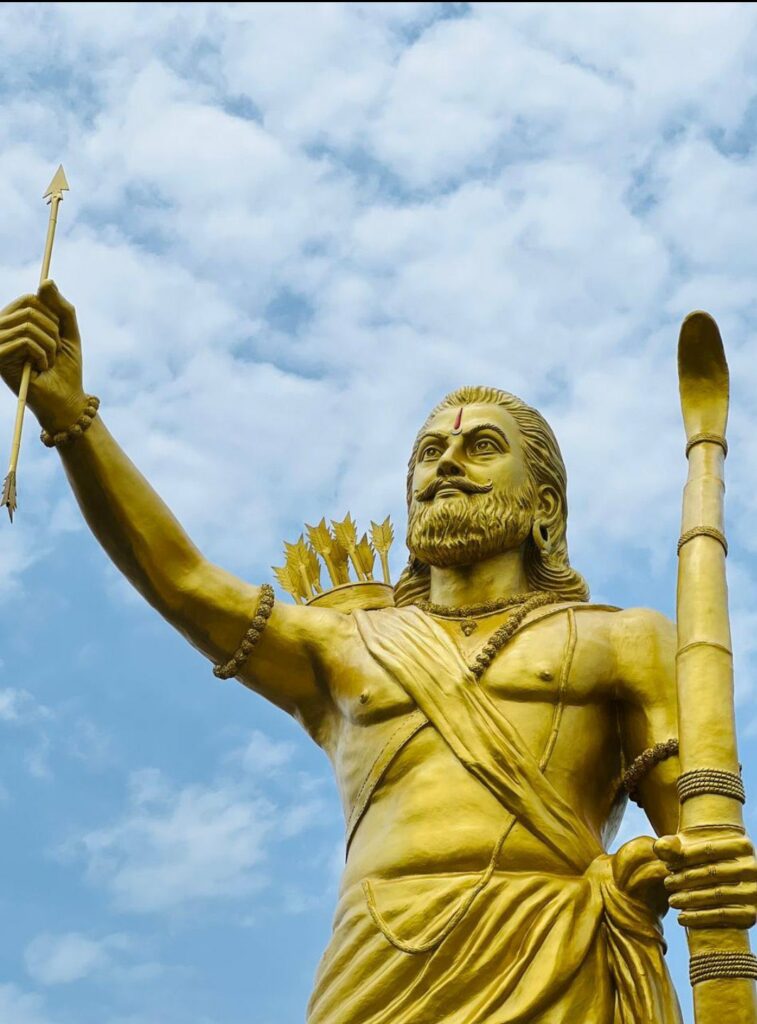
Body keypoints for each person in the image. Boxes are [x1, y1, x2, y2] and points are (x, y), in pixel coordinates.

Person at [1, 280, 755, 1024]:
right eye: (430, 452)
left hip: (554, 964)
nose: (446, 462)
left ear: (543, 506)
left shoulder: (620, 639)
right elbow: (185, 581)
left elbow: (693, 836)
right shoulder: (343, 646)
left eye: (480, 447)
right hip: (376, 973)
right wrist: (72, 419)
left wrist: (701, 871)